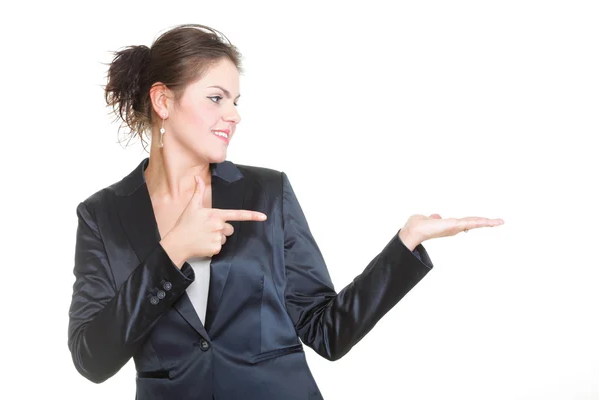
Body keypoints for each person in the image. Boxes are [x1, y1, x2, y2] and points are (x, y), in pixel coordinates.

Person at [67, 23, 504, 400]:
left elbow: (327, 331)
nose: (234, 114)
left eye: (237, 100)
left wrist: (405, 244)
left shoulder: (266, 192)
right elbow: (91, 358)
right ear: (163, 101)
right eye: (217, 98)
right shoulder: (103, 215)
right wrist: (172, 252)